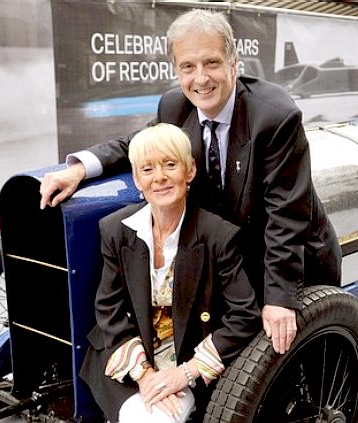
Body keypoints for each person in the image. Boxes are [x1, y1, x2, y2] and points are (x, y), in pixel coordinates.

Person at [41, 9, 341, 355]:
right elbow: (137, 143)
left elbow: (285, 218)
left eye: (212, 63)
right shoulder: (175, 106)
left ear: (234, 63)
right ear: (176, 70)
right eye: (188, 67)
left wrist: (278, 299)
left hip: (289, 260)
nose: (201, 79)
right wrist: (80, 168)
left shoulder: (275, 116)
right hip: (229, 257)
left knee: (290, 360)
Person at [79, 123, 260, 422]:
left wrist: (185, 373)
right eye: (147, 169)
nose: (159, 177)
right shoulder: (115, 230)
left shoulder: (219, 236)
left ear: (189, 171)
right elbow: (108, 307)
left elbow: (244, 316)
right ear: (137, 179)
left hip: (187, 360)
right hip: (127, 359)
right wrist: (145, 375)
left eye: (170, 165)